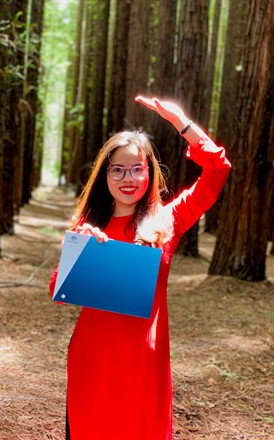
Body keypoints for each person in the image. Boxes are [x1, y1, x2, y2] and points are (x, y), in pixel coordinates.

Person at [49, 96, 231, 440]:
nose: (127, 178)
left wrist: (183, 124)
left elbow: (218, 171)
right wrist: (81, 251)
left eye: (137, 168)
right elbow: (58, 291)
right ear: (105, 175)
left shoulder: (167, 221)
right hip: (94, 358)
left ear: (150, 172)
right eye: (117, 169)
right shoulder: (88, 225)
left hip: (145, 364)